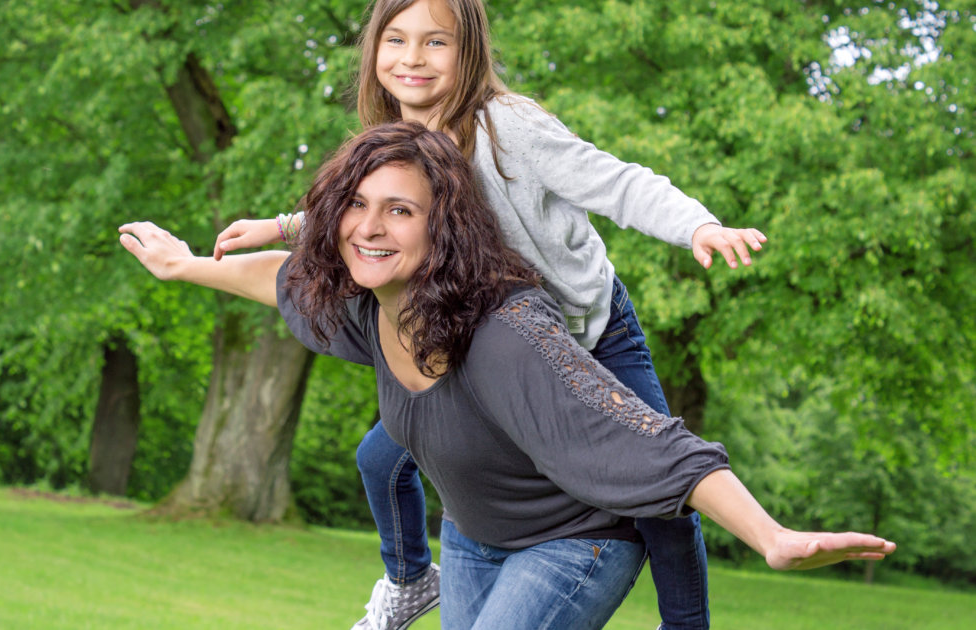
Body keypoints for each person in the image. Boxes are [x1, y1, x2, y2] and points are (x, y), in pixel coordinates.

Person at [118, 121, 895, 630]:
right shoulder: (367, 308)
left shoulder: (505, 330)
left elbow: (645, 438)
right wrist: (185, 266)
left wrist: (775, 537)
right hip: (474, 540)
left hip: (576, 541)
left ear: (444, 225)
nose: (369, 227)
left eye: (400, 211)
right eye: (356, 205)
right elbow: (280, 276)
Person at [213, 0, 766, 630]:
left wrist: (697, 226)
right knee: (379, 457)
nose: (412, 58)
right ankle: (410, 579)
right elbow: (366, 214)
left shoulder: (509, 128)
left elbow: (617, 184)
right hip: (483, 343)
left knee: (655, 480)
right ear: (374, 51)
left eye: (435, 42)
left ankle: (687, 624)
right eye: (396, 39)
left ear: (469, 50)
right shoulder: (398, 138)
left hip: (590, 337)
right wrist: (282, 227)